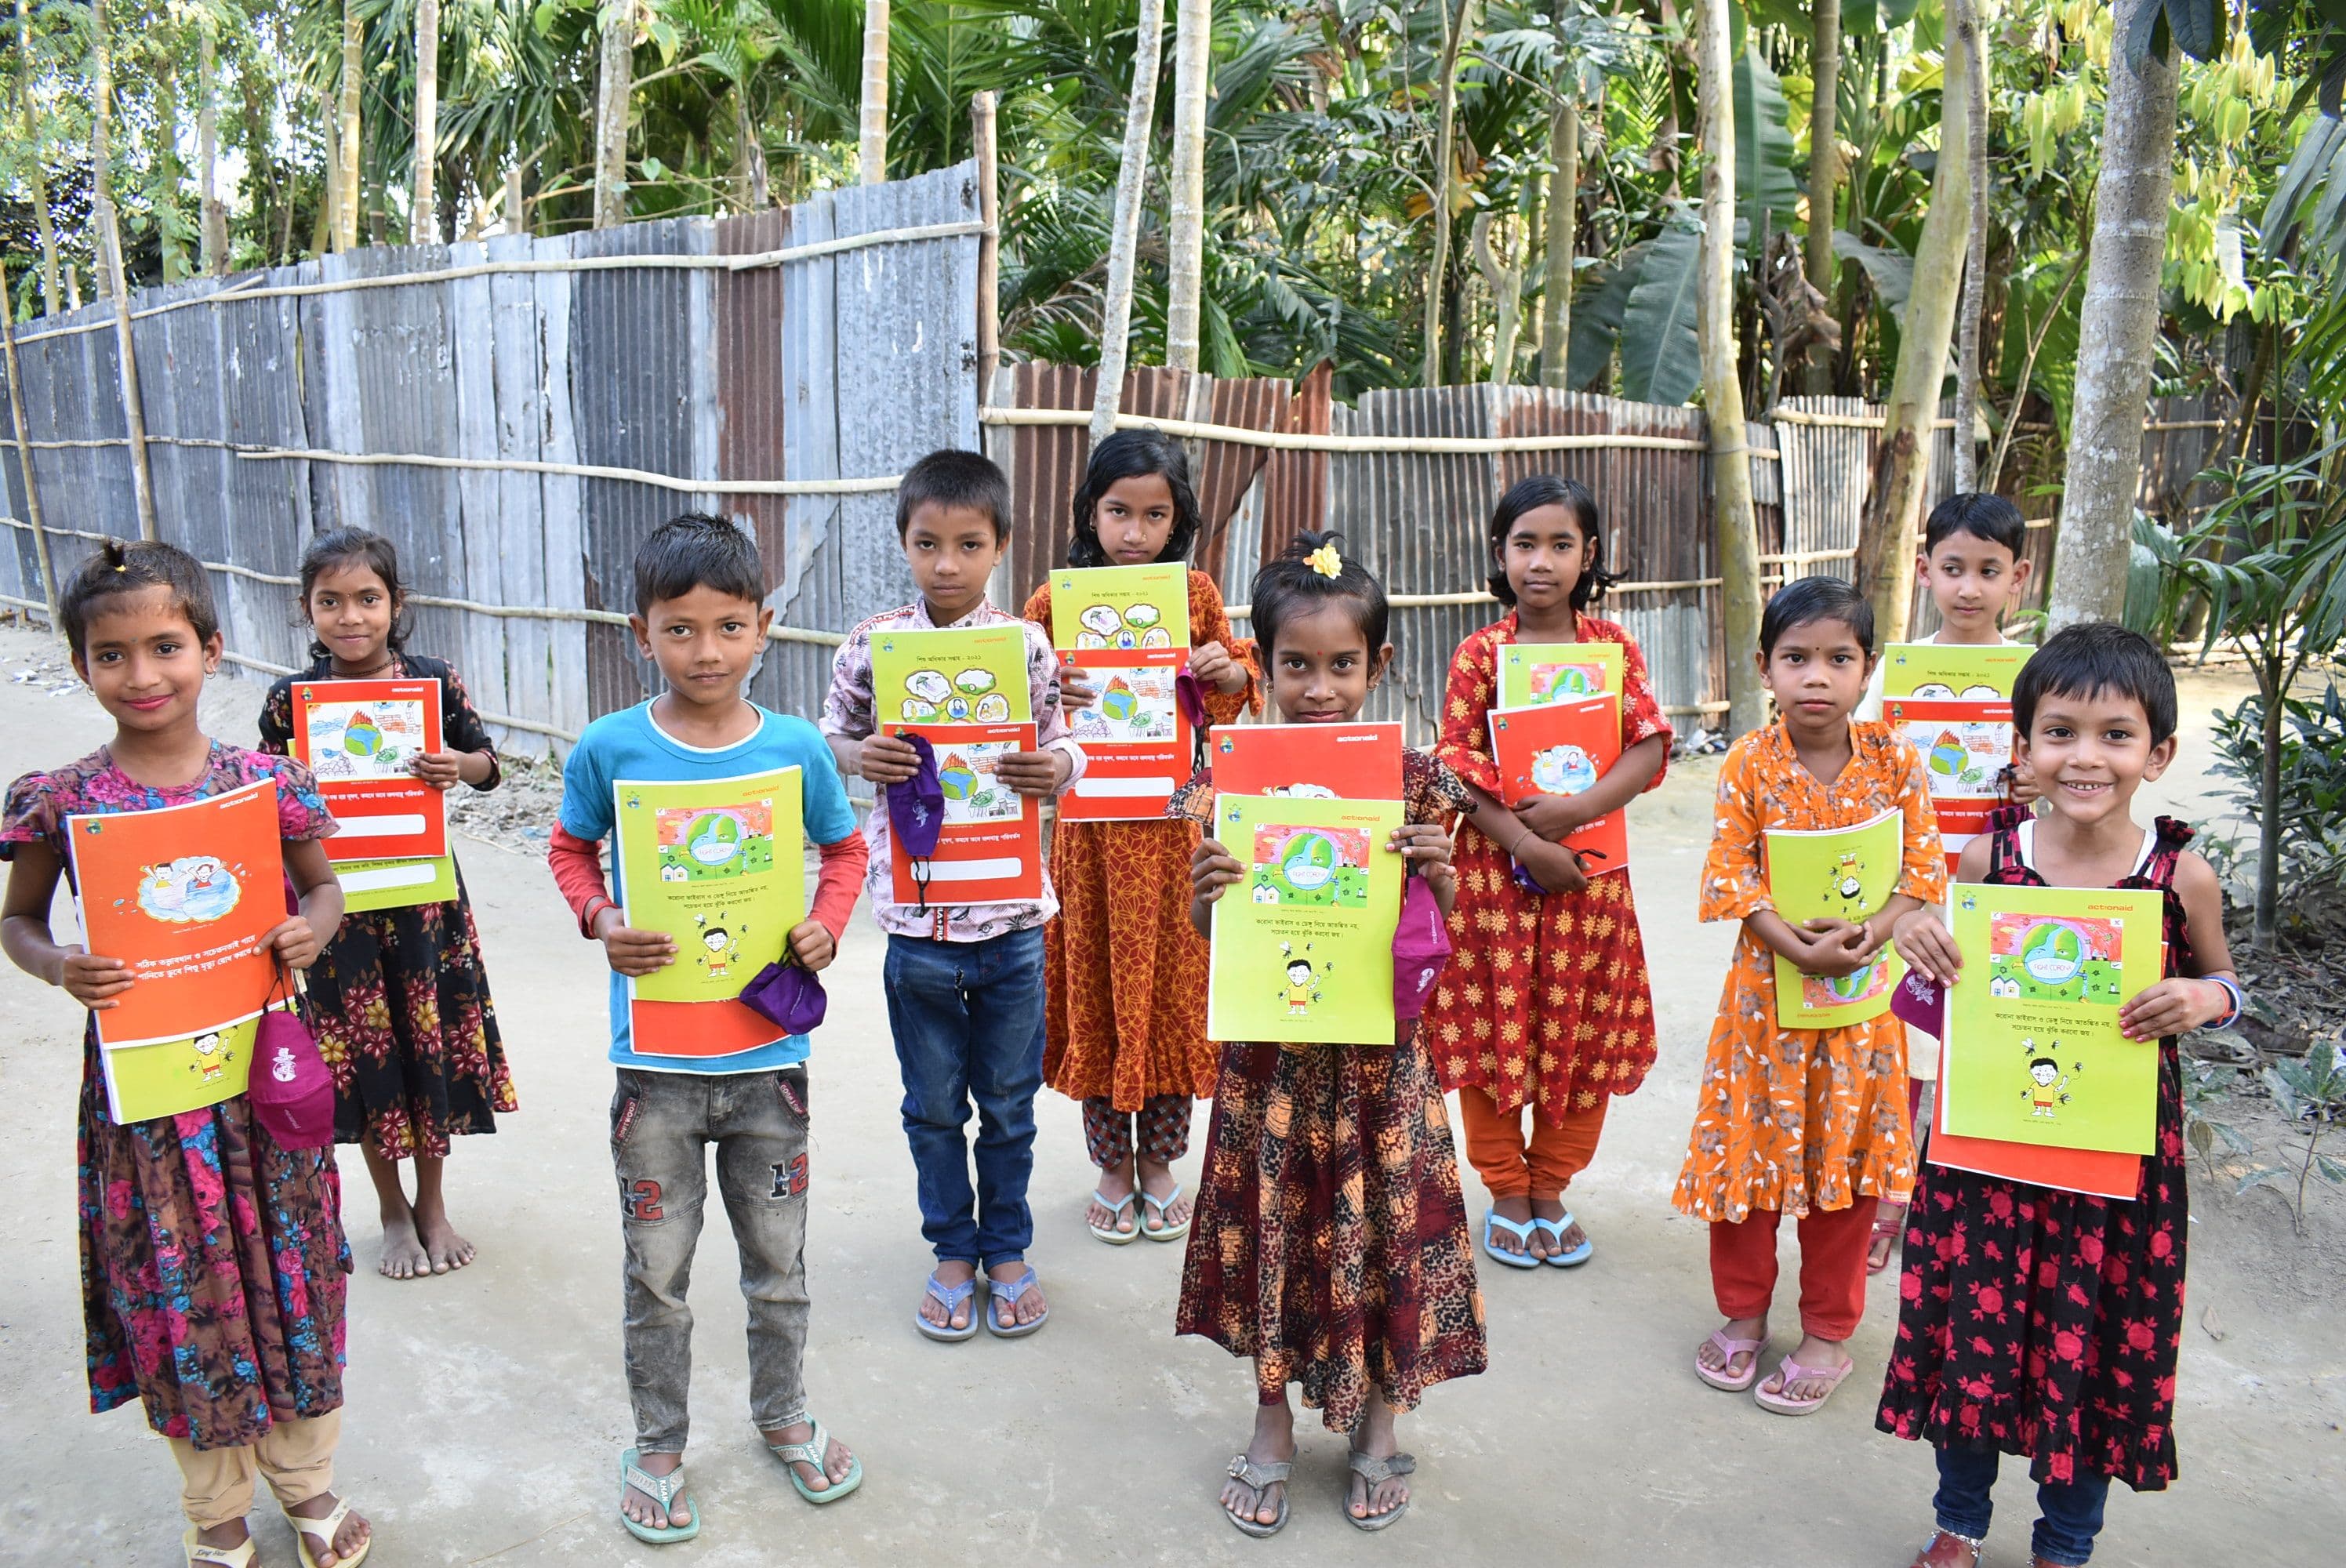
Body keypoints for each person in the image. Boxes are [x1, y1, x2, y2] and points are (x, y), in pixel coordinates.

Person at [2, 541, 372, 1568]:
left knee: (295, 1272)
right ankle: (213, 1509)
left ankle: (308, 1487)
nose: (144, 673)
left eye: (166, 646)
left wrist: (314, 928)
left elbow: (327, 887)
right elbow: (19, 919)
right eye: (112, 654)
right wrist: (58, 965)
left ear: (210, 649)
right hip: (148, 1098)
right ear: (81, 666)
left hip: (263, 1085)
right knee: (178, 1285)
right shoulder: (60, 801)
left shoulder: (266, 786)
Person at [1880, 623, 2238, 1568]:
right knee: (1972, 1340)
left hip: (2116, 1172)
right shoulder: (1984, 866)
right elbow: (1933, 1006)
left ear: (2156, 752)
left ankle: (2065, 1542)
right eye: (2059, 730)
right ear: (2022, 746)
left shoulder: (2177, 877)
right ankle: (1957, 1521)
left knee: (2089, 1348)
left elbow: (2232, 989)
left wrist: (2204, 995)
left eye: (2115, 734)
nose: (2084, 755)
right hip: (1984, 1158)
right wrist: (1918, 938)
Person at [548, 514, 870, 1541]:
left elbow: (846, 852)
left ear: (764, 627)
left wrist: (822, 929)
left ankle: (784, 1418)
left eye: (728, 628)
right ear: (641, 630)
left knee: (782, 1270)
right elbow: (569, 850)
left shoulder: (797, 748)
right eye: (680, 630)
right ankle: (659, 1445)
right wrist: (600, 918)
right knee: (658, 1277)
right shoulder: (611, 747)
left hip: (771, 1065)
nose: (706, 653)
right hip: (655, 1073)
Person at [1178, 531, 1484, 1536]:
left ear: (1379, 665)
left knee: (1385, 1227)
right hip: (1269, 1059)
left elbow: (1447, 924)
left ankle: (1378, 1418)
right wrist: (1209, 892)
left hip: (1379, 1062)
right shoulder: (1229, 779)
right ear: (1261, 663)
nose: (1319, 688)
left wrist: (1435, 867)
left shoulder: (1415, 774)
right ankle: (1272, 1421)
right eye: (1297, 666)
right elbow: (1206, 931)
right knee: (1276, 1226)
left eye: (1341, 665)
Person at [823, 449, 1084, 1339]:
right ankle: (950, 1250)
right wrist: (863, 756)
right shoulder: (870, 644)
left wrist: (1051, 767)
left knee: (1008, 1100)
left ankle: (1006, 1248)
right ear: (903, 542)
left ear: (1000, 546)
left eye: (967, 543)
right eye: (927, 542)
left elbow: (1064, 745)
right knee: (932, 1101)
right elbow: (831, 738)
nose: (946, 561)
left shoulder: (1025, 646)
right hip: (916, 920)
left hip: (1013, 917)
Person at [1676, 575, 1946, 1417]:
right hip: (1762, 1006)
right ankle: (1743, 1314)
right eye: (1796, 658)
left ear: (1867, 670)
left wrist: (1871, 933)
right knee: (1745, 1168)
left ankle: (1829, 1329)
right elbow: (1733, 878)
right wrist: (1798, 946)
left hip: (1862, 1014)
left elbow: (1920, 874)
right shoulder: (1747, 762)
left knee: (1848, 1169)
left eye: (1838, 658)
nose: (1816, 676)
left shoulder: (1897, 760)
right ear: (1765, 667)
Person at [256, 527, 518, 1281]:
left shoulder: (431, 681)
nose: (351, 617)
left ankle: (433, 1205)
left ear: (395, 603)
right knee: (367, 1052)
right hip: (337, 905)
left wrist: (454, 765)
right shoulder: (290, 701)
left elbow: (490, 763)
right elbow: (270, 803)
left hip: (422, 899)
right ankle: (390, 1210)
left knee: (425, 1042)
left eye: (368, 599)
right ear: (307, 611)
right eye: (330, 602)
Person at [1018, 430, 1258, 1245]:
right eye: (1118, 511)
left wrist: (1227, 671)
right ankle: (1110, 1168)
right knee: (1096, 991)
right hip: (1085, 836)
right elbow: (1016, 715)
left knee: (1169, 997)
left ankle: (1159, 1166)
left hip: (1172, 828)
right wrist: (1046, 684)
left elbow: (1227, 704)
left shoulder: (1193, 596)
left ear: (1177, 520)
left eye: (1154, 515)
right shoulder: (1053, 606)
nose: (1133, 531)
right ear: (1090, 512)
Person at [1425, 476, 1672, 1267]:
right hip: (1493, 885)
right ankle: (1503, 1187)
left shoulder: (1612, 648)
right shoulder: (1479, 653)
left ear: (1588, 555)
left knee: (1583, 1029)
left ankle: (1552, 1186)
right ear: (1499, 554)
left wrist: (1572, 814)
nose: (1541, 561)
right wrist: (1522, 840)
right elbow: (1454, 762)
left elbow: (1649, 742)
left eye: (1560, 544)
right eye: (1524, 543)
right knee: (1492, 1028)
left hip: (1591, 883)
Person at [1855, 492, 2040, 1272]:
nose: (1969, 588)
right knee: (1902, 1042)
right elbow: (1856, 755)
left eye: (1988, 571)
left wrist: (2041, 782)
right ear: (1924, 570)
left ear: (2017, 578)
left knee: (1980, 1041)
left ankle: (1959, 1205)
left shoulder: (2038, 674)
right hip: (1908, 893)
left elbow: (2071, 764)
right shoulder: (1896, 671)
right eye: (1953, 569)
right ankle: (1887, 1203)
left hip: (2004, 889)